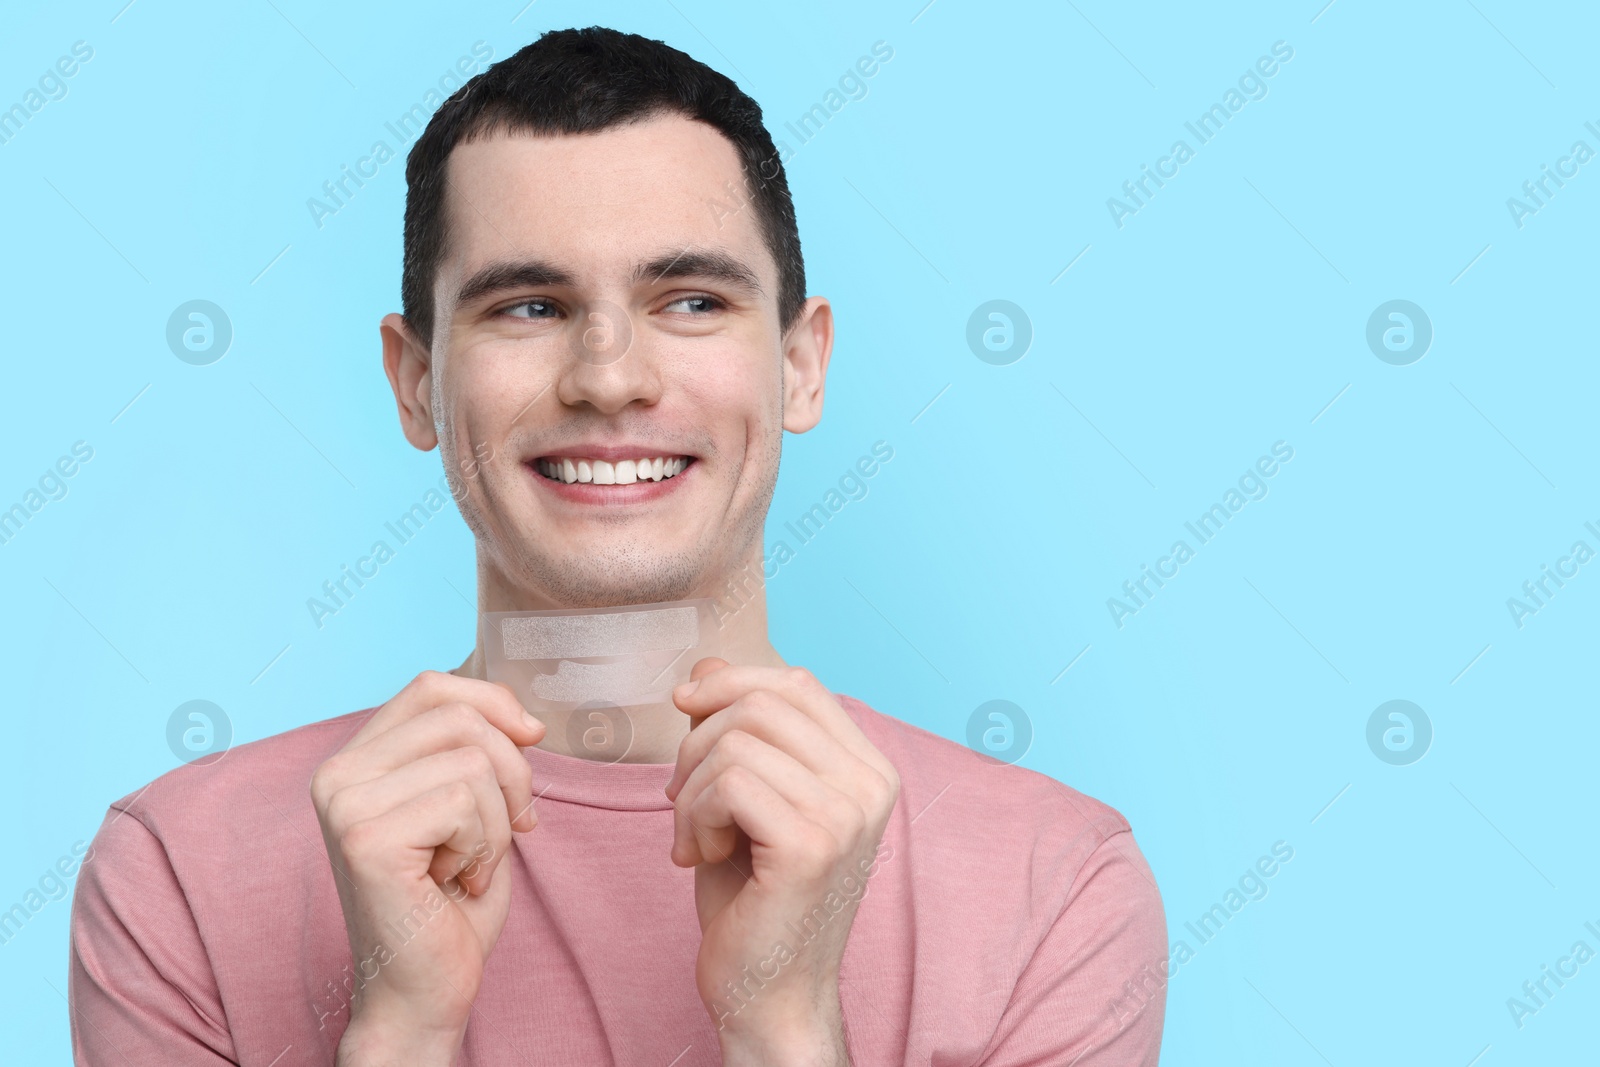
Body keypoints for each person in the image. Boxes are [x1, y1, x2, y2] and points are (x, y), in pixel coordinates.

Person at [69, 26, 1166, 1066]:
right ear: (415, 383)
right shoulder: (181, 872)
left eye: (689, 299)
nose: (609, 375)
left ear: (801, 365)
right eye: (529, 306)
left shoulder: (1053, 886)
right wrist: (399, 1028)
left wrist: (784, 1025)